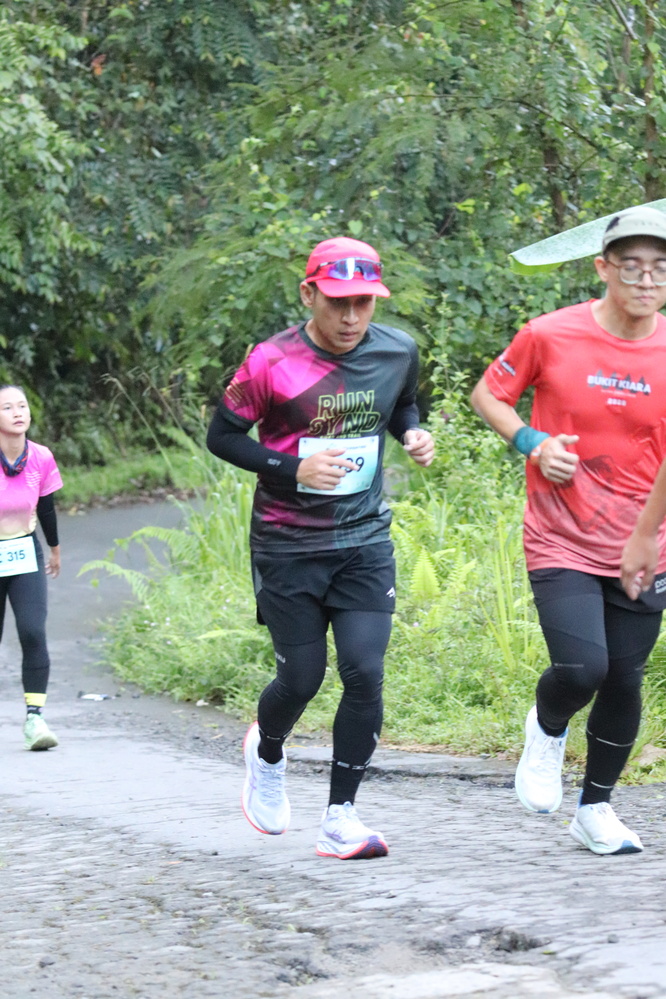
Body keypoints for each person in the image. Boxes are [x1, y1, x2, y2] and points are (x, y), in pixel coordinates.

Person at [207, 236, 434, 859]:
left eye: (364, 302)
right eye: (338, 302)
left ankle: (340, 818)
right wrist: (292, 469)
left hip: (363, 539)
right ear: (308, 294)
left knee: (365, 671)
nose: (351, 317)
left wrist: (414, 434)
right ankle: (267, 753)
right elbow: (223, 436)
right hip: (287, 544)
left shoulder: (397, 350)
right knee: (302, 678)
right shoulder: (270, 361)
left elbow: (403, 405)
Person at [470, 205, 666, 855]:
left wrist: (646, 535)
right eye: (632, 266)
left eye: (660, 268)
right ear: (602, 268)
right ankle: (547, 726)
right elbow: (488, 396)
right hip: (561, 534)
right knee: (583, 668)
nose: (646, 280)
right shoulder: (550, 334)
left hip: (646, 539)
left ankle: (595, 809)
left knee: (625, 678)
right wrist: (533, 442)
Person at [0, 385, 63, 750]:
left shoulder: (41, 456)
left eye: (22, 405)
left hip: (24, 550)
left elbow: (47, 507)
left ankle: (35, 719)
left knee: (33, 631)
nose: (17, 412)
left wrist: (54, 549)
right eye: (7, 407)